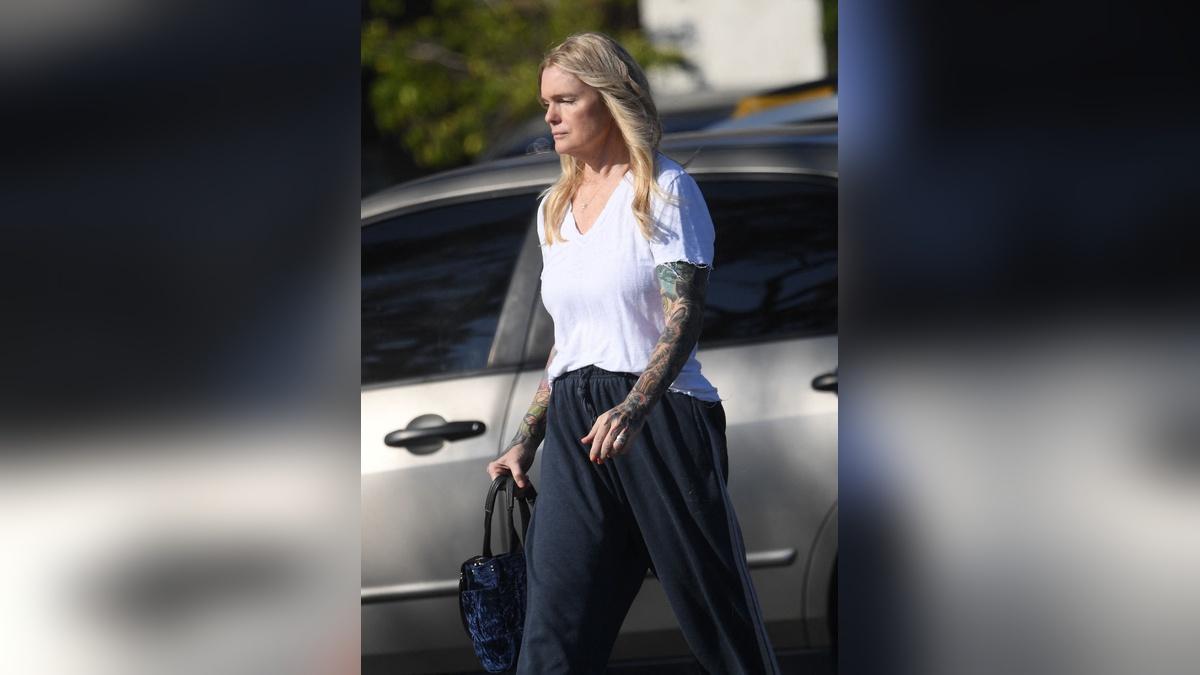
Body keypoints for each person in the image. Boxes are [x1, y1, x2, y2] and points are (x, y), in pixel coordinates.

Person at [485, 32, 781, 674]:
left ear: (611, 98)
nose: (550, 116)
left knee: (717, 616)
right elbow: (570, 341)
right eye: (545, 104)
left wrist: (634, 408)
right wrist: (527, 439)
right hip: (576, 423)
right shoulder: (553, 209)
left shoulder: (663, 189)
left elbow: (683, 314)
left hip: (660, 417)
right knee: (553, 629)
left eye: (565, 100)